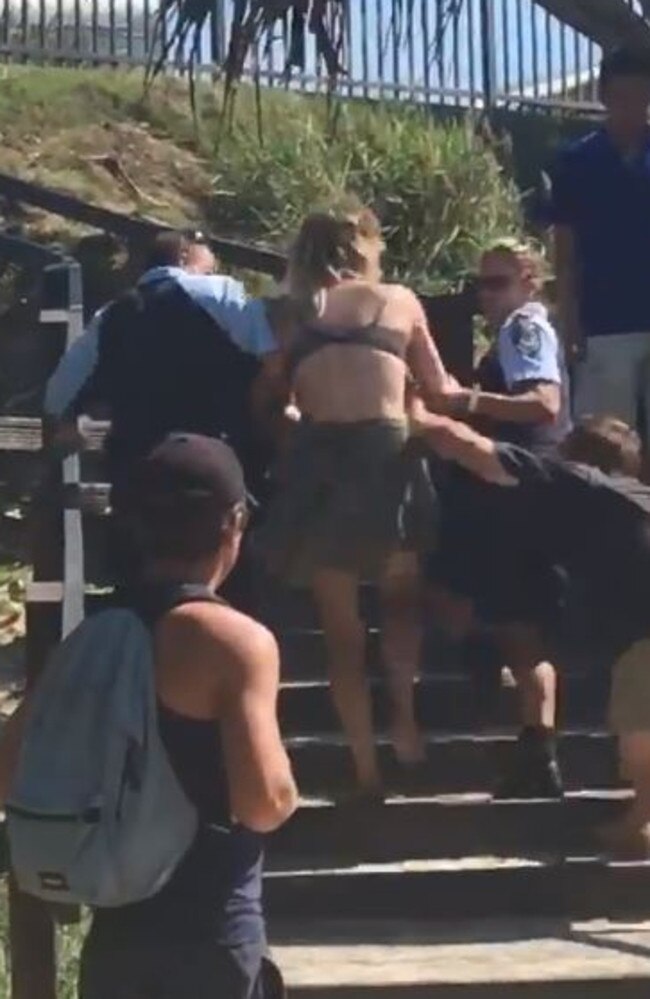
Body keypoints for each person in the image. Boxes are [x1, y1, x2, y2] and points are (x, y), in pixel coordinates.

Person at [0, 432, 298, 997]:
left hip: (117, 931)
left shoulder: (89, 639)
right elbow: (263, 803)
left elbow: (8, 772)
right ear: (233, 522)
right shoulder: (234, 643)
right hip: (211, 934)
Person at [260, 205, 452, 797]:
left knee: (341, 631)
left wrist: (298, 420)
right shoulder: (398, 300)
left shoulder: (291, 314)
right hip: (387, 453)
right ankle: (406, 720)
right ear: (365, 247)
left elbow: (270, 400)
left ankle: (365, 768)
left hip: (320, 459)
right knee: (400, 600)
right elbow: (440, 389)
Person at [413, 405, 650, 858]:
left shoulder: (579, 483)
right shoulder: (633, 496)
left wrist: (417, 415)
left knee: (640, 731)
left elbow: (476, 450)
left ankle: (641, 824)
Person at [427, 239, 571, 799]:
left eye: (500, 283)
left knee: (518, 625)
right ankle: (531, 740)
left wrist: (466, 402)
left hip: (517, 490)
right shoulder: (518, 329)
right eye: (482, 284)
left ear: (530, 283)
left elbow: (544, 404)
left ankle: (535, 744)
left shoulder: (524, 330)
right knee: (510, 619)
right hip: (521, 492)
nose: (488, 295)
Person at [44, 230, 276, 498]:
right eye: (210, 253)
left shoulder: (111, 314)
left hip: (137, 470)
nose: (215, 266)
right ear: (184, 254)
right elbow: (269, 359)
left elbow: (59, 396)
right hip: (215, 464)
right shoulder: (219, 291)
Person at [548, 46, 650, 437]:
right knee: (607, 442)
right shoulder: (577, 162)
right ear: (605, 96)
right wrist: (569, 321)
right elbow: (565, 248)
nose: (634, 110)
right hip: (603, 324)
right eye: (623, 98)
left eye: (643, 98)